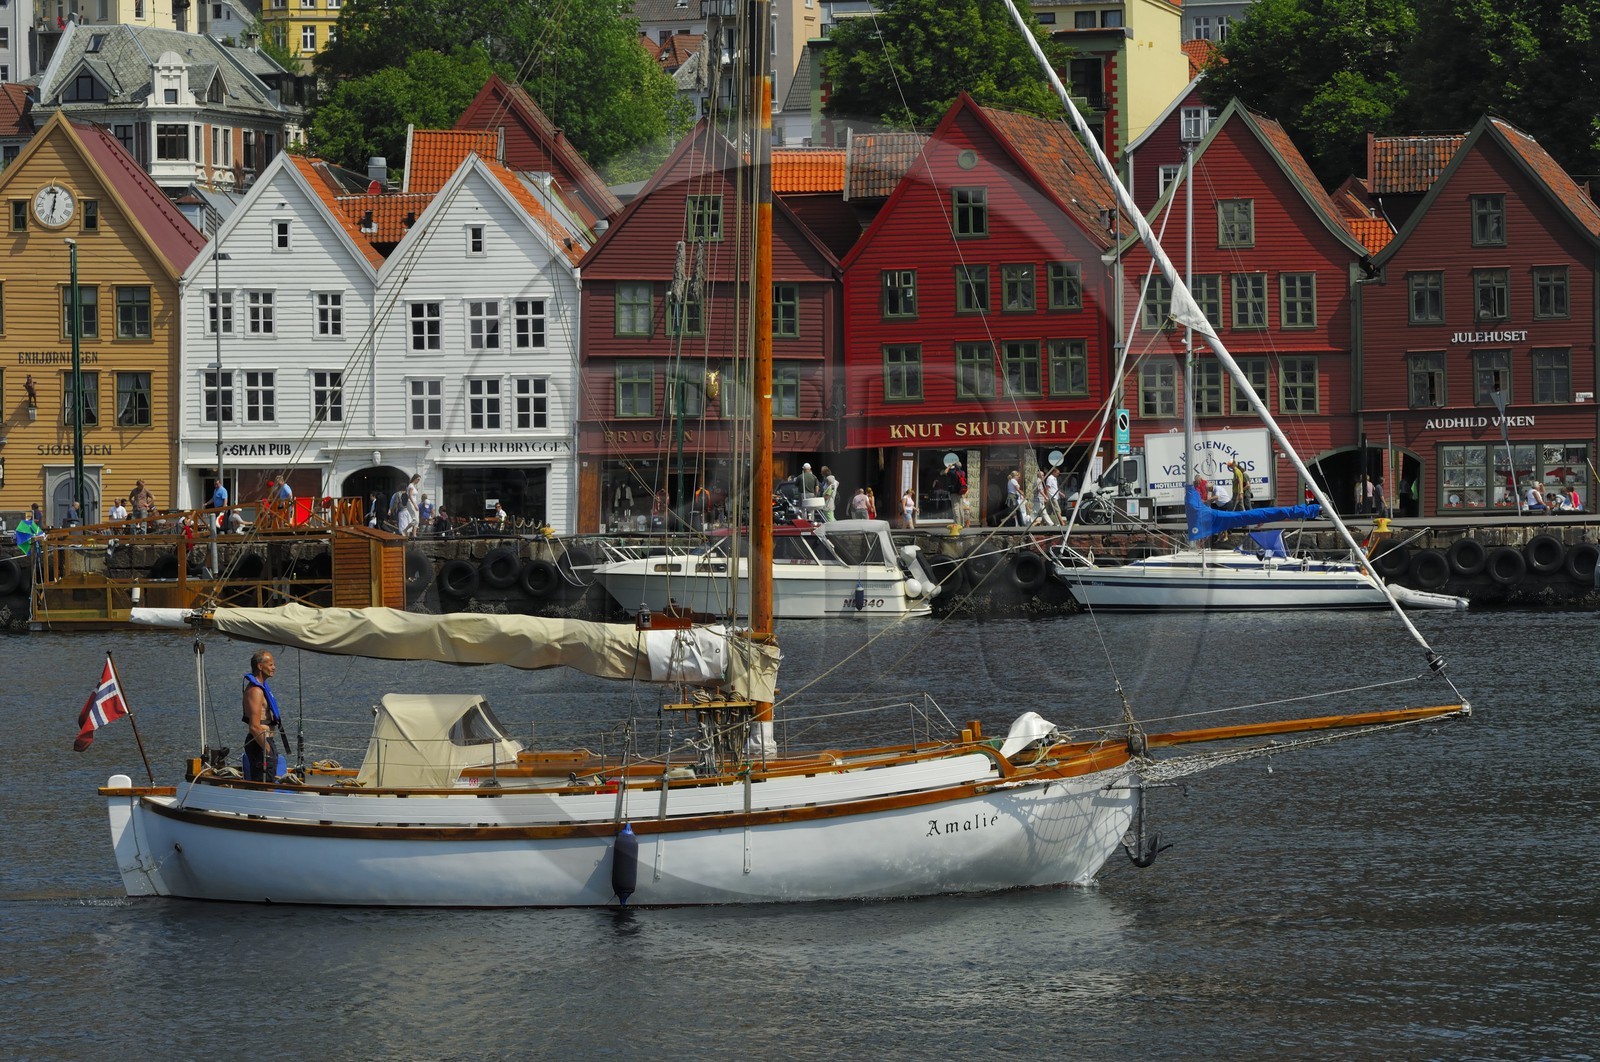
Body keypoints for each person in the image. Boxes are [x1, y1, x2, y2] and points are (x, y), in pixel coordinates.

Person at [242, 649, 283, 783]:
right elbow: (254, 727)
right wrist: (267, 749)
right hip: (260, 744)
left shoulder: (262, 688)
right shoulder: (255, 691)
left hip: (266, 742)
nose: (274, 668)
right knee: (264, 785)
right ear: (260, 666)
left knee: (269, 781)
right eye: (270, 665)